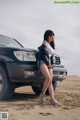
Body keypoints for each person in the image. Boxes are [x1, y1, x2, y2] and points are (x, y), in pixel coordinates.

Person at [37, 30, 61, 106]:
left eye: (53, 35)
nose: (53, 37)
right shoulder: (45, 43)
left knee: (50, 81)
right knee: (48, 78)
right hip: (43, 61)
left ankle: (52, 99)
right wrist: (48, 64)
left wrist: (51, 64)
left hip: (49, 63)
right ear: (48, 36)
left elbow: (51, 56)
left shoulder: (51, 45)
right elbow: (43, 54)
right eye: (52, 35)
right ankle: (42, 95)